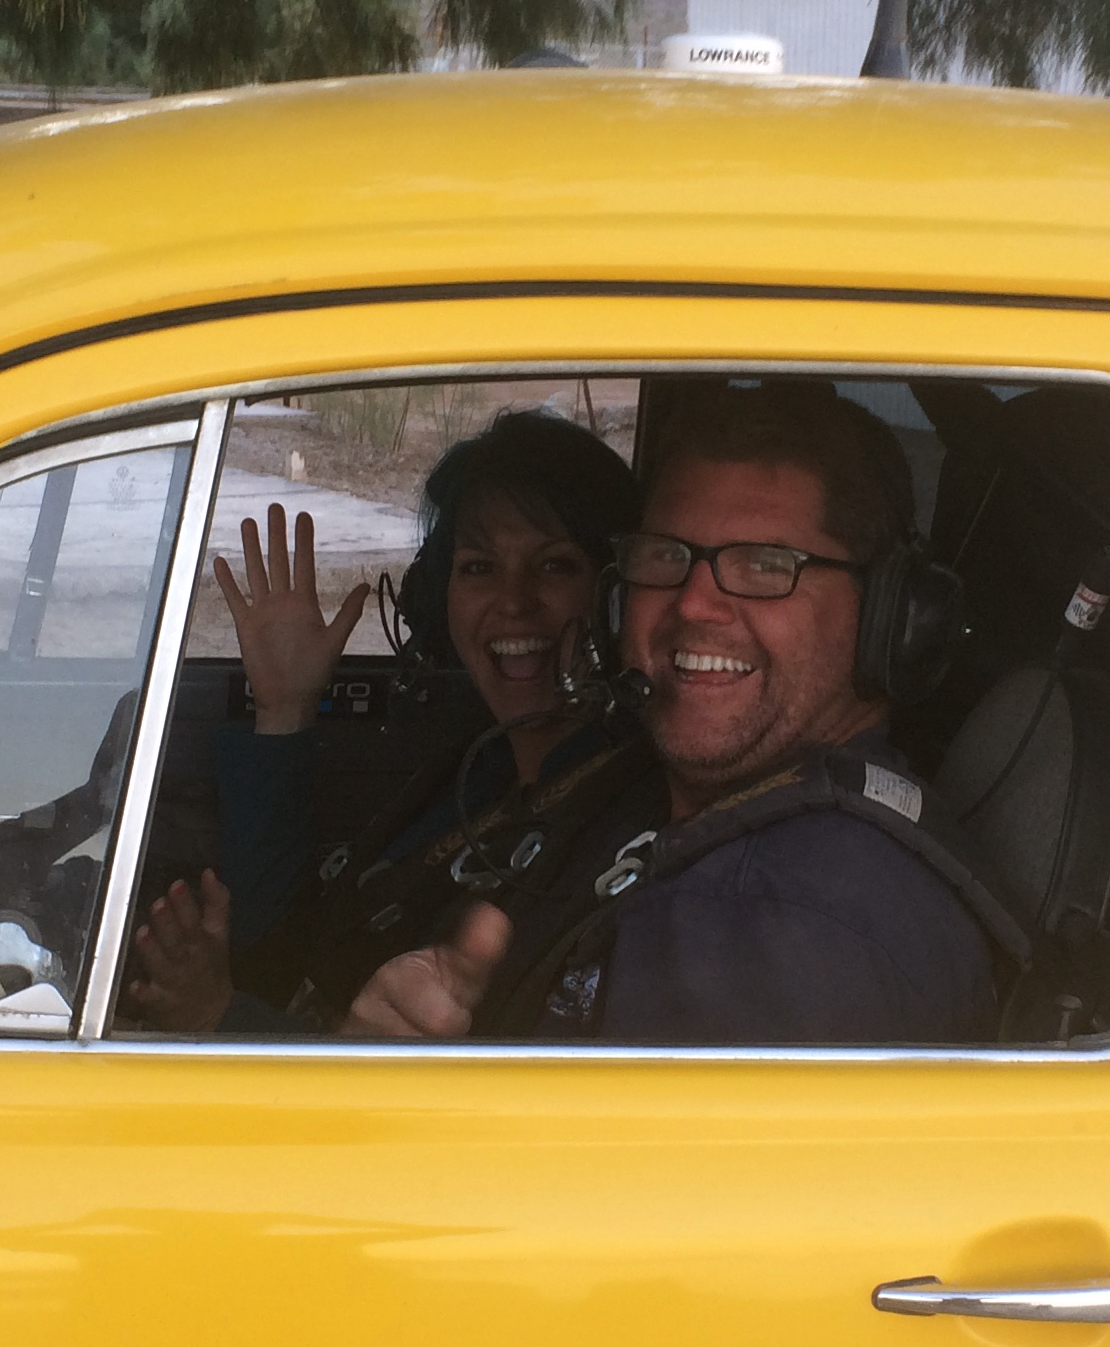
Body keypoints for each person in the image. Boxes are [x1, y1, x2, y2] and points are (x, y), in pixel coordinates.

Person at [341, 382, 1005, 1048]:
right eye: (666, 557)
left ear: (891, 619)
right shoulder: (704, 812)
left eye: (764, 565)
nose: (692, 605)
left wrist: (377, 1092)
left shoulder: (764, 922)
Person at [122, 408, 652, 1031]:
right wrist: (284, 710)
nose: (513, 602)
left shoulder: (615, 823)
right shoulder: (477, 773)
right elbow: (289, 953)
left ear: (619, 596)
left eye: (555, 565)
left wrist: (219, 1018)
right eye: (479, 567)